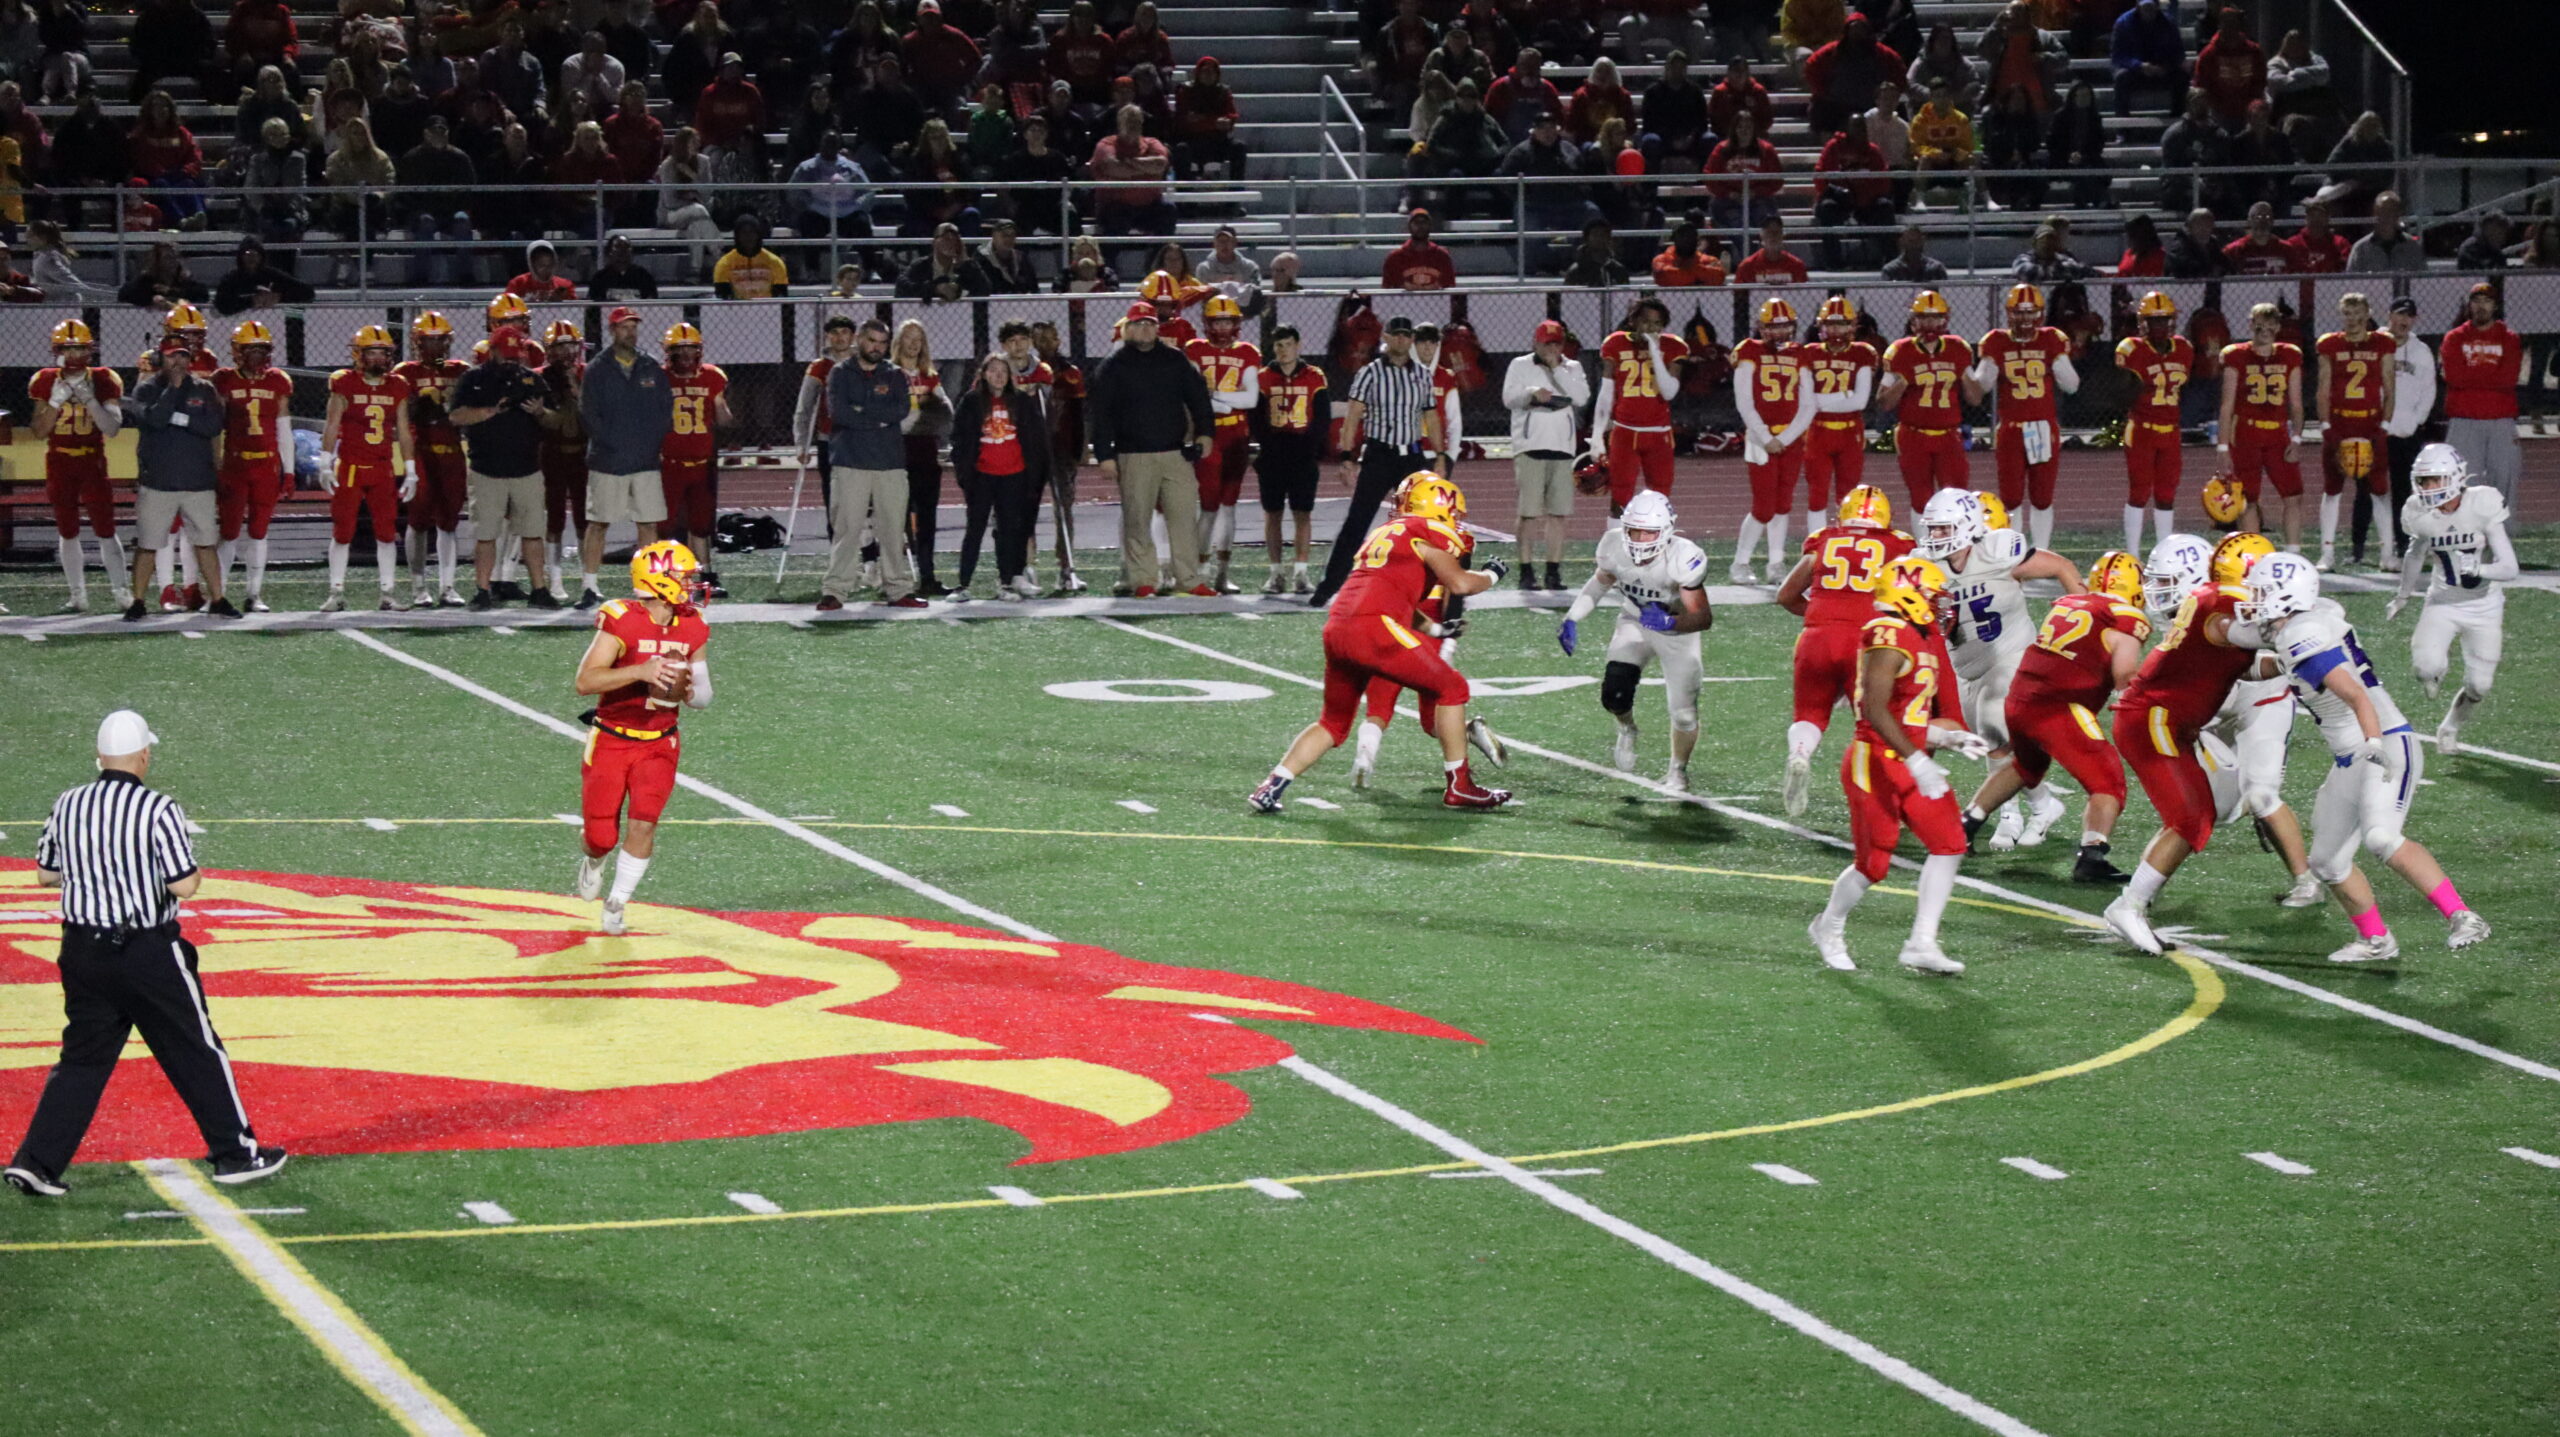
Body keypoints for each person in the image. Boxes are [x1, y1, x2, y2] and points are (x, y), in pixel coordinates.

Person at [4, 710, 284, 1199]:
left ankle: (37, 1162)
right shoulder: (157, 808)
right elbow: (183, 884)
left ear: (100, 755)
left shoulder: (69, 802)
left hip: (81, 949)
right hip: (145, 950)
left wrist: (95, 870)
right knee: (196, 1050)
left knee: (82, 1060)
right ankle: (236, 1154)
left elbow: (46, 873)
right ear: (143, 756)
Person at [2234, 551, 2488, 964]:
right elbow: (2269, 657)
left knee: (2381, 837)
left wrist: (2372, 742)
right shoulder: (2306, 625)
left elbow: (2356, 695)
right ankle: (2376, 940)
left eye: (2261, 592)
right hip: (2350, 757)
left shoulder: (2302, 635)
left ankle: (2464, 917)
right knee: (2326, 862)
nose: (2254, 600)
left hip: (2383, 744)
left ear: (2286, 596)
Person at [1248, 475, 1513, 813]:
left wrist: (1435, 630)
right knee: (1452, 687)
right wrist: (1492, 574)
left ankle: (1270, 787)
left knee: (1333, 723)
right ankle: (1461, 787)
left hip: (1339, 625)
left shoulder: (1385, 533)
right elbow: (1460, 584)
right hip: (1374, 627)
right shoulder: (1425, 531)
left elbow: (1398, 599)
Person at [1804, 553, 1983, 974]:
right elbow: (1874, 710)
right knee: (1874, 865)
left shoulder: (1917, 637)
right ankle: (1828, 926)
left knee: (1950, 843)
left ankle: (1922, 942)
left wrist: (1945, 737)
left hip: (1909, 758)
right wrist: (1918, 759)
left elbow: (1909, 715)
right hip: (1874, 762)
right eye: (1932, 596)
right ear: (1908, 594)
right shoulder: (1887, 633)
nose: (1940, 606)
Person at [2099, 532, 2264, 952]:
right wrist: (2299, 629)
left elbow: (2237, 665)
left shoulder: (2213, 600)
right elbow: (2243, 635)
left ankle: (2134, 903)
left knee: (2191, 815)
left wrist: (2288, 664)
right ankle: (2129, 906)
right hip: (2155, 719)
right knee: (2192, 818)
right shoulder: (2222, 605)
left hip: (2160, 718)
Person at [1955, 550, 2151, 883]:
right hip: (2061, 707)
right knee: (2107, 783)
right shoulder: (2125, 616)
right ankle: (2092, 856)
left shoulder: (2070, 602)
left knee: (2025, 765)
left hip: (2020, 697)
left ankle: (1966, 825)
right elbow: (2123, 675)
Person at [1918, 488, 2086, 850]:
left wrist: (2086, 613)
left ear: (1967, 525)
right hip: (1967, 667)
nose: (1935, 536)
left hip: (2015, 653)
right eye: (1932, 529)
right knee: (1991, 741)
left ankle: (2007, 815)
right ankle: (2042, 805)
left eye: (1943, 528)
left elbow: (2060, 566)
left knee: (1993, 722)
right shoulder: (1923, 565)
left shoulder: (1996, 551)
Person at [573, 540, 714, 935]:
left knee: (644, 824)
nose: (690, 584)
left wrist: (688, 691)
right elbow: (585, 681)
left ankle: (617, 903)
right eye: (683, 576)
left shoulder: (693, 625)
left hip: (660, 741)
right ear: (659, 579)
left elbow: (704, 697)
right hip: (612, 737)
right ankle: (594, 858)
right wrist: (640, 672)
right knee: (601, 836)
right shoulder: (622, 619)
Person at [1557, 489, 1714, 790]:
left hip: (1678, 631)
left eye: (1649, 532)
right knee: (1614, 693)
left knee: (1684, 713)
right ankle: (1627, 728)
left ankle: (1678, 770)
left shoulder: (1684, 557)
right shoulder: (1613, 545)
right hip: (1635, 619)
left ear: (1666, 530)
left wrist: (1670, 621)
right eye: (1634, 531)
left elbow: (1703, 617)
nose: (1640, 539)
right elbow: (1601, 581)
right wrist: (1573, 617)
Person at [1774, 484, 1913, 815]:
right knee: (1874, 723)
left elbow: (1785, 595)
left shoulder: (1824, 539)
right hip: (1867, 641)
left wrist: (1820, 616)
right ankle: (1881, 799)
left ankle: (1800, 753)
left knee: (1809, 713)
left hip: (1817, 636)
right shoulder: (1900, 545)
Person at [2389, 444, 2516, 764]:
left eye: (2435, 479)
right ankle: (2435, 672)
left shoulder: (2482, 504)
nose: (2428, 487)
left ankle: (2450, 726)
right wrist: (2403, 595)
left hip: (2485, 606)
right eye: (2424, 480)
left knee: (2479, 686)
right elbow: (2414, 554)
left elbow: (2510, 568)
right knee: (2425, 668)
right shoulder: (2418, 512)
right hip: (2443, 601)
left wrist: (2480, 569)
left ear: (2456, 477)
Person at [1090, 300, 1215, 597]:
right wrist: (1105, 455)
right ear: (1128, 328)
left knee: (1184, 518)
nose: (1145, 329)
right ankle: (1143, 579)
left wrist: (1206, 433)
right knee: (1137, 521)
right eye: (1139, 324)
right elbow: (1100, 413)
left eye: (1150, 324)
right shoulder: (1113, 366)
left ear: (1157, 328)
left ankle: (1188, 579)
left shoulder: (1175, 359)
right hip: (1133, 454)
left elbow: (1199, 399)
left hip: (1175, 453)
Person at [1311, 315, 1435, 606]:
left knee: (1420, 525)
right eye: (1397, 334)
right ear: (1387, 338)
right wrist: (1347, 456)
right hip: (1379, 455)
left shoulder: (1422, 375)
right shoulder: (1370, 373)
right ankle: (1329, 587)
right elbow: (1353, 415)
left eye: (1406, 335)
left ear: (1411, 340)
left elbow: (1430, 416)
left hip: (1411, 456)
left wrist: (1440, 455)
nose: (1402, 340)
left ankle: (1425, 589)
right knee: (1358, 522)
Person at [447, 326, 558, 608]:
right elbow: (456, 416)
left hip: (527, 468)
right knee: (486, 535)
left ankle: (540, 589)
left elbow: (554, 421)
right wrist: (489, 412)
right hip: (486, 468)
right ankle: (483, 590)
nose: (511, 360)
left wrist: (540, 412)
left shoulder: (533, 380)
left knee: (533, 532)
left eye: (515, 355)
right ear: (493, 350)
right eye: (506, 354)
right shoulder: (473, 379)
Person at [122, 340, 233, 620]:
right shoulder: (146, 389)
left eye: (183, 356)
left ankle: (218, 599)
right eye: (172, 357)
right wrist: (173, 390)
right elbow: (155, 420)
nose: (178, 362)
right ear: (161, 358)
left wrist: (182, 419)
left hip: (197, 481)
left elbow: (213, 425)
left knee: (205, 542)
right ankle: (138, 602)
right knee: (148, 544)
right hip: (159, 481)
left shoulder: (204, 389)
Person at [819, 318, 925, 610]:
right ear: (859, 341)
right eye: (871, 341)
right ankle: (835, 590)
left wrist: (862, 412)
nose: (876, 347)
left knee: (893, 530)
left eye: (882, 343)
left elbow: (900, 409)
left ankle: (898, 589)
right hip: (850, 461)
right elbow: (839, 412)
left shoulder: (894, 374)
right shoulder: (840, 373)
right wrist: (878, 418)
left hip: (890, 463)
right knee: (847, 529)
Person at [579, 305, 675, 607]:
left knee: (648, 524)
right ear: (612, 330)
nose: (630, 332)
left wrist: (649, 444)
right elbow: (589, 414)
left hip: (645, 461)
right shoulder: (597, 369)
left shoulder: (650, 366)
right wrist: (612, 443)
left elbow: (664, 410)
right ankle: (589, 586)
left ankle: (648, 584)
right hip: (608, 461)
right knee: (598, 523)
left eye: (634, 327)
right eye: (624, 327)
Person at [30, 319, 126, 613]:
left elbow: (112, 428)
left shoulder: (104, 378)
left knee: (105, 527)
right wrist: (54, 403)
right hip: (59, 460)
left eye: (79, 349)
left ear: (89, 350)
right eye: (67, 349)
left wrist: (91, 402)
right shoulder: (45, 379)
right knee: (67, 528)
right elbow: (39, 431)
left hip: (91, 460)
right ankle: (77, 595)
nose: (73, 356)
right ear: (57, 351)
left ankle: (121, 592)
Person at [316, 326, 414, 612]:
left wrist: (410, 469)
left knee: (386, 532)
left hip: (382, 467)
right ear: (359, 355)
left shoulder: (397, 385)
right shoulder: (344, 382)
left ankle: (387, 593)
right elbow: (332, 424)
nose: (378, 359)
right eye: (372, 353)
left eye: (383, 353)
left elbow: (404, 431)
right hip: (351, 467)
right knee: (343, 530)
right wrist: (325, 461)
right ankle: (336, 592)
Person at [1972, 283, 2077, 549]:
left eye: (2030, 312)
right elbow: (1982, 385)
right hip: (2011, 427)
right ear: (2009, 314)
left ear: (2040, 313)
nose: (2025, 318)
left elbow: (2072, 384)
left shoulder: (2051, 339)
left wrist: (2056, 361)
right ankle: (2014, 551)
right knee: (2011, 497)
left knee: (2042, 497)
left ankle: (2041, 551)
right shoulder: (1997, 341)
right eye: (2019, 312)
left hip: (2042, 427)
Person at [947, 353, 1053, 600]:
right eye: (993, 370)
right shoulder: (972, 401)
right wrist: (965, 473)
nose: (998, 376)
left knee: (1008, 530)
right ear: (984, 374)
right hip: (982, 476)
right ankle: (963, 584)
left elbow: (1035, 437)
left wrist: (1034, 473)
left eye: (1003, 371)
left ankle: (1006, 583)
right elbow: (959, 437)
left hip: (1013, 475)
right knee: (975, 528)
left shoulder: (1021, 402)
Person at [1728, 299, 1818, 584]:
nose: (1779, 332)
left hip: (1790, 439)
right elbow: (1744, 402)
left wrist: (1786, 438)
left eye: (1785, 326)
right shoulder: (1749, 350)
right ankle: (1740, 563)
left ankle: (1775, 564)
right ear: (1761, 327)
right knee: (1764, 506)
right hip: (1760, 439)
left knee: (1783, 504)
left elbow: (1809, 404)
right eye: (1773, 327)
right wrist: (1767, 437)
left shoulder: (1800, 353)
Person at [208, 320, 292, 612]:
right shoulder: (223, 379)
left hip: (266, 465)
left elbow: (283, 429)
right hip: (235, 464)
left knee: (259, 530)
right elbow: (214, 427)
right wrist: (215, 464)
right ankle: (217, 595)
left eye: (261, 349)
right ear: (237, 351)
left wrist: (289, 470)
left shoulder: (277, 380)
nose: (257, 355)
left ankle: (254, 594)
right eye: (250, 349)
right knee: (229, 530)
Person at [391, 310, 470, 608]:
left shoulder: (460, 371)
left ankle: (448, 586)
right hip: (422, 451)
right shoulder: (405, 372)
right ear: (417, 342)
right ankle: (418, 586)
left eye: (440, 340)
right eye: (430, 340)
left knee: (449, 521)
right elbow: (399, 416)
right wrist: (419, 403)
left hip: (451, 451)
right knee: (418, 519)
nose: (436, 346)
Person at [2312, 292, 2396, 571]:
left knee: (2379, 490)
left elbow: (2389, 387)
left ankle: (2387, 554)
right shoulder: (2330, 344)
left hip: (2370, 423)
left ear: (2368, 313)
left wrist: (2384, 425)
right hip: (2340, 422)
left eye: (2358, 313)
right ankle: (2327, 554)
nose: (2353, 319)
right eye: (2347, 313)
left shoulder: (2382, 343)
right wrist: (2326, 425)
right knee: (2332, 489)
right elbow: (2323, 389)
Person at [1502, 318, 1586, 590]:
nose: (1552, 349)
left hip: (1562, 448)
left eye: (1556, 344)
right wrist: (1531, 393)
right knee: (1528, 513)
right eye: (1547, 344)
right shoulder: (1520, 365)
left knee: (1558, 513)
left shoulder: (1572, 367)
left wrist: (1557, 370)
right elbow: (1509, 398)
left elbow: (1581, 397)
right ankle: (1526, 571)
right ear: (1535, 343)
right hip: (1530, 447)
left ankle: (1553, 571)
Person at [1185, 294, 1261, 592]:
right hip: (1208, 435)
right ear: (1207, 323)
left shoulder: (1247, 352)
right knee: (1209, 506)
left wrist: (1215, 398)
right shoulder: (1195, 349)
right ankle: (1200, 571)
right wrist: (1228, 401)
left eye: (1227, 321)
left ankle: (1222, 572)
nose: (1223, 327)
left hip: (1236, 436)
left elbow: (1251, 399)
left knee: (1229, 506)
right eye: (1217, 322)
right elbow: (1193, 396)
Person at [1876, 290, 1979, 510]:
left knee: (1956, 498)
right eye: (1923, 317)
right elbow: (1883, 402)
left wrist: (1963, 374)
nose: (1929, 323)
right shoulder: (1900, 351)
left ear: (1945, 319)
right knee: (1921, 500)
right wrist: (1904, 380)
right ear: (1913, 320)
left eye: (1934, 317)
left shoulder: (1958, 348)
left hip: (1948, 435)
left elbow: (1975, 399)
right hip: (1913, 434)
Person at [2216, 301, 2306, 546]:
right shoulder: (2236, 355)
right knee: (2247, 499)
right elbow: (2227, 405)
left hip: (2278, 434)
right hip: (2246, 433)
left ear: (2278, 327)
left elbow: (2296, 403)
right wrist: (2222, 447)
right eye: (2259, 325)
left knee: (2293, 495)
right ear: (2250, 325)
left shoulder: (2289, 354)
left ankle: (2293, 553)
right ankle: (2254, 555)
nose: (2264, 330)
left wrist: (2297, 438)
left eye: (2269, 325)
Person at [1251, 325, 1329, 595]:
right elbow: (1256, 418)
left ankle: (1300, 573)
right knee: (1272, 513)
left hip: (1302, 452)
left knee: (1302, 513)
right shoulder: (1263, 377)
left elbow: (1322, 417)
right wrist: (1268, 445)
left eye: (1288, 344)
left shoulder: (1314, 376)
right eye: (1279, 345)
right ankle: (1275, 574)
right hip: (1273, 452)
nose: (1283, 350)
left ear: (1298, 345)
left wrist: (1309, 446)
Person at [1587, 297, 1684, 513]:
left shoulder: (1673, 346)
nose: (1651, 328)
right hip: (1625, 431)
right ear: (1633, 321)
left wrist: (1655, 352)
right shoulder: (1616, 343)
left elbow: (1669, 392)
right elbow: (1606, 393)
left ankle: (1655, 535)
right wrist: (1597, 436)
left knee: (1660, 498)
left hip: (1659, 433)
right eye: (1646, 322)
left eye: (1657, 323)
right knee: (1620, 496)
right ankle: (1615, 536)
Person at [2115, 291, 2194, 554]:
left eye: (2163, 320)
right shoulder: (2132, 349)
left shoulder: (2183, 349)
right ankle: (2133, 553)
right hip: (2142, 429)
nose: (2159, 325)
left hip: (2170, 431)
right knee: (2139, 493)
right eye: (2153, 320)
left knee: (2166, 495)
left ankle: (2163, 552)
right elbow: (2121, 394)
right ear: (2142, 322)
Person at [2363, 296, 2435, 563]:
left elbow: (2429, 389)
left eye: (2409, 316)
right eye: (2399, 314)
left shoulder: (2421, 351)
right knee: (2368, 490)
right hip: (2375, 429)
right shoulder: (2374, 343)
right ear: (2389, 315)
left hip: (2406, 432)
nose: (2404, 320)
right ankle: (2363, 546)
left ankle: (2405, 543)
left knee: (2405, 491)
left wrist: (2416, 421)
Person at [656, 322, 730, 573]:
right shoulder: (658, 378)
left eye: (691, 348)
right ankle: (665, 574)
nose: (686, 354)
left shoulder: (712, 376)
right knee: (664, 524)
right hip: (669, 463)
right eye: (680, 348)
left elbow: (724, 420)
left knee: (701, 525)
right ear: (669, 352)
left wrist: (720, 406)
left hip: (701, 464)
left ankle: (706, 574)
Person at [1799, 297, 1877, 530]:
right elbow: (1805, 400)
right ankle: (1816, 542)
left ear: (1852, 326)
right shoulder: (1809, 353)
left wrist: (1818, 402)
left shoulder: (1862, 353)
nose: (1836, 330)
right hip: (1818, 431)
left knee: (1849, 492)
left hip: (1849, 432)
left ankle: (1847, 538)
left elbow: (1860, 401)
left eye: (1841, 324)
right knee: (1817, 493)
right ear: (1820, 325)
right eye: (1830, 323)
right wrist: (1843, 395)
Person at [2438, 284, 2521, 505]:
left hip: (2500, 419)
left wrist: (2471, 375)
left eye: (2487, 301)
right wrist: (2491, 375)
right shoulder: (2454, 338)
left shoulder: (2509, 338)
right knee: (2463, 483)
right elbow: (2455, 377)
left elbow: (2508, 379)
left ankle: (2502, 527)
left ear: (2495, 306)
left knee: (2503, 481)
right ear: (2469, 305)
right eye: (2476, 301)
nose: (2481, 306)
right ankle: (2466, 528)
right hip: (2464, 419)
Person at [538, 320, 589, 604]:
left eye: (571, 345)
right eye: (561, 346)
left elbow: (594, 414)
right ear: (549, 350)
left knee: (585, 519)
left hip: (582, 452)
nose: (567, 352)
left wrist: (576, 389)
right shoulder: (540, 377)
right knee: (554, 518)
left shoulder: (587, 374)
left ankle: (588, 580)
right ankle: (555, 581)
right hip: (552, 452)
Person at [1812, 121, 1895, 270]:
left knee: (1885, 207)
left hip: (1866, 202)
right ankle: (1834, 262)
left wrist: (1863, 197)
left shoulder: (1873, 151)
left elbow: (1884, 182)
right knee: (1826, 208)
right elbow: (1819, 175)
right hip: (1840, 201)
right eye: (1855, 129)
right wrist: (1837, 192)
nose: (1859, 133)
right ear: (1848, 130)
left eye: (1862, 129)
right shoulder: (1834, 147)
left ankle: (1890, 260)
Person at [2110, 0, 2185, 115]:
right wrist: (2139, 65)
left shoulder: (2169, 23)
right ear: (2138, 7)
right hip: (2135, 72)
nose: (2148, 11)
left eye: (2151, 7)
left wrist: (2166, 66)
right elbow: (2118, 56)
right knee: (2121, 78)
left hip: (2162, 71)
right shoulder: (2123, 22)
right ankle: (2122, 122)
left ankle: (2178, 116)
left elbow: (2179, 53)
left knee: (2182, 77)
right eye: (2145, 7)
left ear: (2157, 7)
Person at [211, 238, 311, 316]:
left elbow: (307, 292)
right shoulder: (231, 278)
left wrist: (279, 297)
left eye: (256, 254)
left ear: (261, 257)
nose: (252, 258)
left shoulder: (272, 274)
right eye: (248, 254)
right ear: (240, 257)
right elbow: (221, 304)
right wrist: (251, 301)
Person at [711, 214, 790, 298]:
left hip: (767, 305)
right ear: (737, 236)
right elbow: (722, 296)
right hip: (737, 305)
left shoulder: (775, 262)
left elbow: (782, 296)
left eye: (752, 232)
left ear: (758, 235)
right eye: (743, 232)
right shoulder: (724, 264)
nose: (748, 236)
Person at [2344, 189, 2421, 274]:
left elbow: (2422, 278)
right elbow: (2351, 279)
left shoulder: (2412, 247)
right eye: (2383, 211)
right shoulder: (2361, 249)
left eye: (2392, 211)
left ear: (2399, 214)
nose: (2387, 216)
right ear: (2375, 213)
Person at [1381, 207, 1456, 290]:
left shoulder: (1441, 256)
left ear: (1430, 226)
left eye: (1424, 222)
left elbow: (1450, 289)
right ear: (1409, 227)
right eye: (1416, 223)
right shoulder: (1395, 258)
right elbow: (1386, 290)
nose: (1420, 226)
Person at [1734, 213, 1806, 284]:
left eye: (1776, 232)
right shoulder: (1747, 266)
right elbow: (1739, 291)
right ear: (1761, 235)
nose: (1773, 236)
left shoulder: (1796, 265)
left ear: (1782, 236)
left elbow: (1804, 290)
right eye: (1769, 232)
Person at [588, 231, 659, 301]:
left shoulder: (643, 276)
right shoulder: (600, 278)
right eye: (619, 254)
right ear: (609, 254)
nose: (622, 258)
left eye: (625, 252)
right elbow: (592, 303)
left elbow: (651, 300)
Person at [1881, 224, 1947, 281]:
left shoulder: (1936, 268)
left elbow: (1944, 290)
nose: (1913, 245)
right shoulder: (1891, 270)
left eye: (1917, 241)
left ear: (1922, 241)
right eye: (1910, 241)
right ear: (1902, 242)